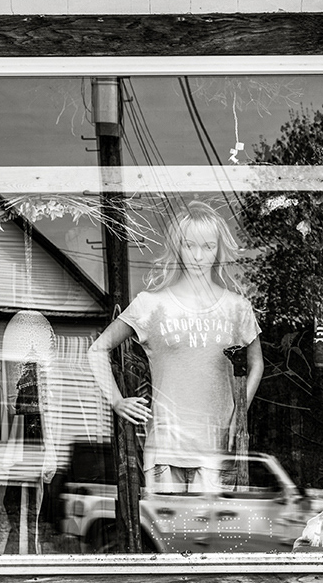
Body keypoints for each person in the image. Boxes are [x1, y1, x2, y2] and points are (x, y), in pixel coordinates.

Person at [88, 201, 263, 493]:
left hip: (215, 450)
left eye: (208, 246)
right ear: (177, 247)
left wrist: (239, 415)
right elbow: (98, 349)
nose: (198, 256)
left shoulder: (236, 308)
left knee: (212, 538)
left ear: (219, 250)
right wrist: (117, 401)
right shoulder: (151, 304)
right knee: (165, 538)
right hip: (164, 451)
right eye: (189, 245)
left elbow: (257, 363)